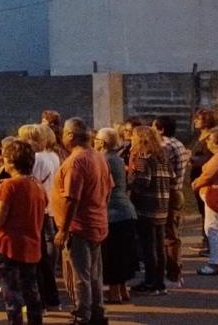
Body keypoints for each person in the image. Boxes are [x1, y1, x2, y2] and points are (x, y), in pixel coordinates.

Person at [51, 117, 111, 325]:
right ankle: (97, 312)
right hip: (96, 222)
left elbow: (72, 199)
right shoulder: (98, 157)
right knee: (94, 274)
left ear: (70, 135)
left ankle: (81, 314)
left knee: (80, 275)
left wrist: (63, 230)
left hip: (79, 227)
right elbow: (108, 189)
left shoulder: (76, 162)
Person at [0, 139, 46, 325]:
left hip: (9, 245)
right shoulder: (37, 184)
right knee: (31, 290)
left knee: (11, 293)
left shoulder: (9, 186)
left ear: (11, 162)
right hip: (31, 243)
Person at [18, 124, 61, 310]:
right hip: (49, 206)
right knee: (44, 255)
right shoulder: (52, 156)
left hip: (37, 210)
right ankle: (52, 299)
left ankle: (39, 300)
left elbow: (29, 182)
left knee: (36, 257)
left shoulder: (36, 159)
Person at [94, 128, 138, 304]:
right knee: (122, 253)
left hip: (112, 212)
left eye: (96, 139)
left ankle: (114, 292)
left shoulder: (104, 160)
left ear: (102, 143)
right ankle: (122, 289)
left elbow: (104, 188)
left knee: (112, 254)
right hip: (126, 209)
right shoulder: (118, 160)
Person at [128, 125, 172, 296]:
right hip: (162, 205)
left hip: (146, 207)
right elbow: (172, 178)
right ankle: (160, 282)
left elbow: (142, 181)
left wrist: (130, 180)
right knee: (160, 247)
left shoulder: (142, 156)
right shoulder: (162, 157)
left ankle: (150, 281)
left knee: (148, 247)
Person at [151, 115, 190, 287]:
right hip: (177, 191)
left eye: (154, 127)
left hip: (169, 193)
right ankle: (175, 272)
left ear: (161, 129)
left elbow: (163, 169)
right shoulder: (178, 143)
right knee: (172, 233)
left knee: (169, 235)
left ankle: (174, 275)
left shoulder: (165, 146)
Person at [190, 127, 218, 275]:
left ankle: (214, 263)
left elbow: (208, 175)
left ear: (216, 141)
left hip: (215, 193)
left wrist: (196, 183)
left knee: (212, 229)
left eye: (209, 139)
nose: (207, 141)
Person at [189, 109, 218, 251]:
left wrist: (193, 159)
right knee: (203, 210)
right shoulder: (201, 135)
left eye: (198, 119)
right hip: (197, 174)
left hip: (205, 176)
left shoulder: (212, 136)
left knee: (207, 211)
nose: (195, 121)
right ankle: (205, 240)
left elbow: (209, 157)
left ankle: (209, 243)